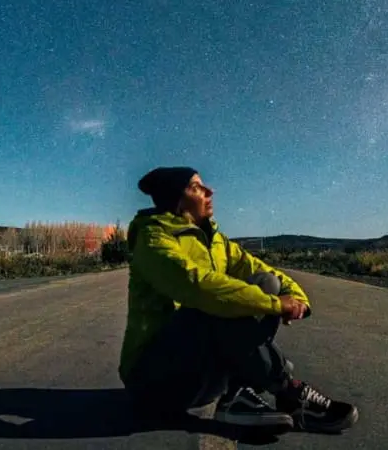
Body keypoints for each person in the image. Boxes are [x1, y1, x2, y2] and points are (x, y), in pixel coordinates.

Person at [117, 166, 359, 434]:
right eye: (196, 187)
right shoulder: (153, 239)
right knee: (208, 305)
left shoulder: (217, 241)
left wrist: (297, 299)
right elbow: (197, 286)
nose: (210, 191)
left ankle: (236, 396)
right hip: (155, 382)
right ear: (176, 199)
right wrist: (276, 305)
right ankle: (288, 391)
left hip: (203, 382)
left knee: (268, 284)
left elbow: (264, 272)